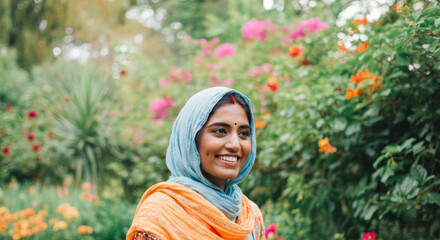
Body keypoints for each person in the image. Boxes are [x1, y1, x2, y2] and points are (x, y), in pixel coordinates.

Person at [126, 87, 265, 240]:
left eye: (244, 133)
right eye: (220, 131)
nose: (235, 145)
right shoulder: (160, 215)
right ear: (191, 139)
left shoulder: (249, 215)